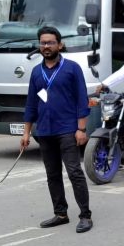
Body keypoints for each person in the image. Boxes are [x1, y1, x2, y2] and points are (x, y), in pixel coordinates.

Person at [21, 26, 93, 233]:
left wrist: (81, 128)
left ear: (59, 45)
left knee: (74, 172)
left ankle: (85, 215)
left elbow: (82, 100)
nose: (46, 46)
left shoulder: (72, 68)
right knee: (52, 174)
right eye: (43, 43)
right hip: (44, 131)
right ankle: (60, 213)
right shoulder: (36, 72)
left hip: (67, 129)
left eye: (50, 42)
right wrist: (26, 132)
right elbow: (31, 104)